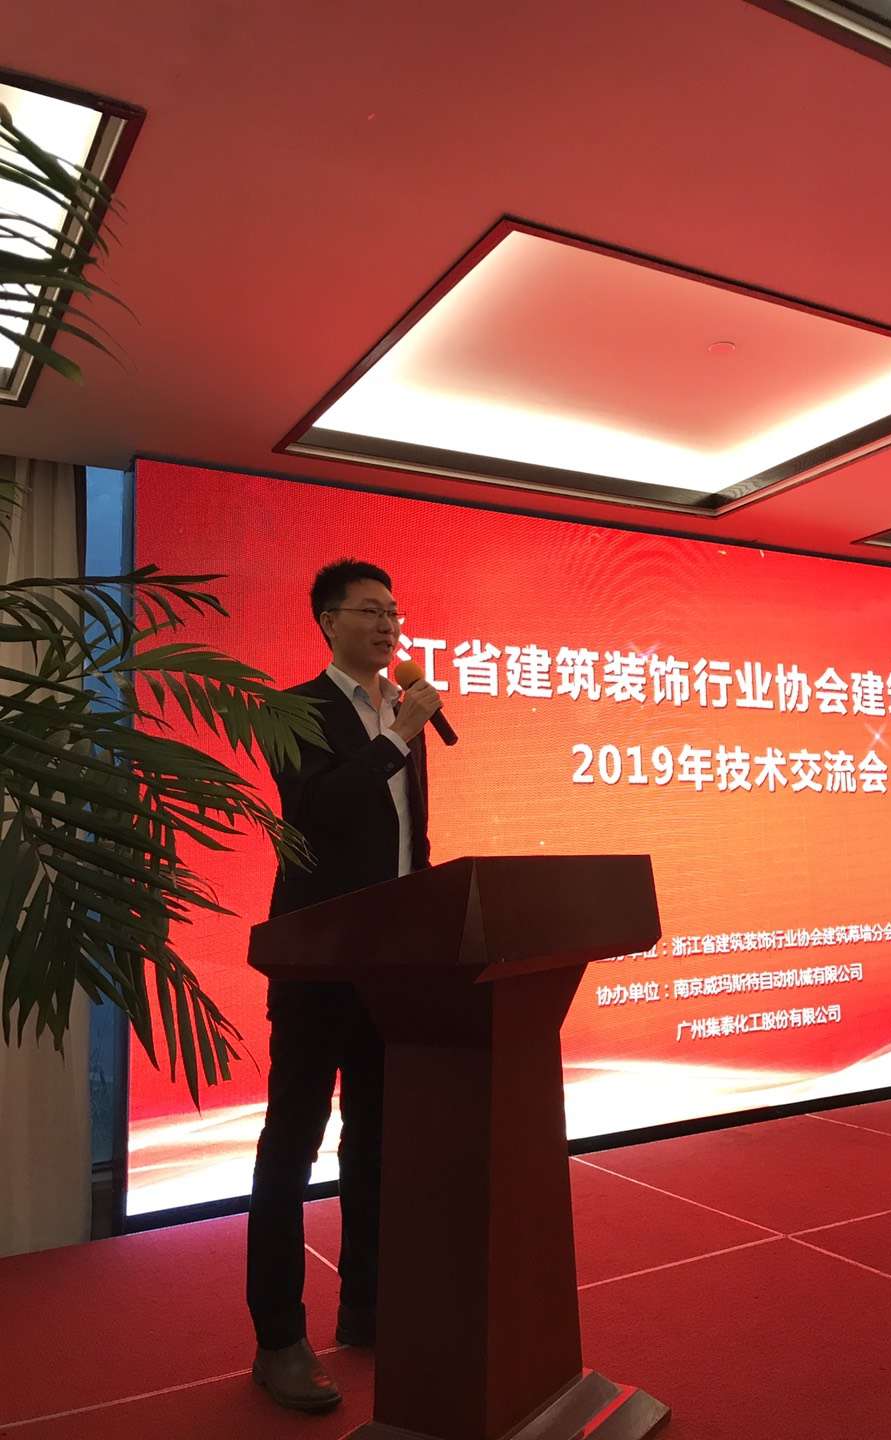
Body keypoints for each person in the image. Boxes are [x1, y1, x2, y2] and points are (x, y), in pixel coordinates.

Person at [246, 558, 443, 1412]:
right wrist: (398, 736)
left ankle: (367, 1306)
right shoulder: (292, 711)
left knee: (375, 1142)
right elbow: (319, 810)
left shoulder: (401, 713)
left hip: (388, 967)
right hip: (316, 963)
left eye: (394, 610)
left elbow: (409, 846)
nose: (388, 624)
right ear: (328, 621)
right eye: (369, 610)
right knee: (291, 1148)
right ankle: (278, 1340)